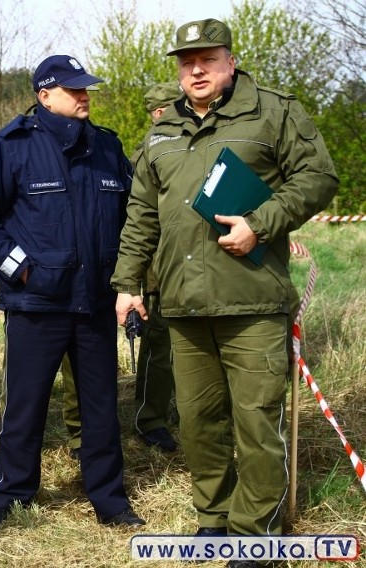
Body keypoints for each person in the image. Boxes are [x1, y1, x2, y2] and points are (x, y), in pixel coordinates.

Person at [111, 18, 337, 555]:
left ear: (230, 62)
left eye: (207, 60)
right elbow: (142, 211)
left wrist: (262, 221)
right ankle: (212, 514)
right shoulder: (162, 130)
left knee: (256, 421)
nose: (196, 69)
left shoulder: (273, 112)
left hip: (253, 300)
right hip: (183, 306)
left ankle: (254, 530)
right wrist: (127, 284)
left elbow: (320, 176)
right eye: (186, 62)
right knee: (198, 420)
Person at [0, 54, 145, 530]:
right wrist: (19, 268)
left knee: (101, 407)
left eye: (86, 89)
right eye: (74, 89)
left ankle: (109, 499)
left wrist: (128, 279)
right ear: (44, 95)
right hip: (37, 303)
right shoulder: (12, 145)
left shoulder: (107, 146)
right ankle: (11, 497)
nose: (85, 96)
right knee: (26, 406)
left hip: (95, 301)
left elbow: (132, 217)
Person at [129, 82, 183, 453]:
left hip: (193, 267)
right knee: (159, 350)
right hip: (158, 270)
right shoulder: (146, 153)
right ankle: (149, 420)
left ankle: (186, 411)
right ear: (159, 112)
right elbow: (139, 219)